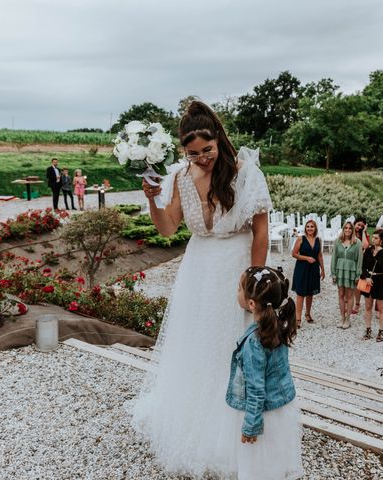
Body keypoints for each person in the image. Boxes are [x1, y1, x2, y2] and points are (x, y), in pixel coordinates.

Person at [131, 101, 271, 478]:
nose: (202, 159)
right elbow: (166, 228)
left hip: (234, 268)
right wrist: (151, 200)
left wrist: (254, 281)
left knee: (231, 348)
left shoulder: (244, 172)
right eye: (193, 154)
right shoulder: (178, 176)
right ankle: (193, 423)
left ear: (218, 140)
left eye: (207, 151)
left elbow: (261, 231)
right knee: (195, 346)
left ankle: (236, 429)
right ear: (183, 151)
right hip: (197, 270)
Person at [227, 266, 303, 480]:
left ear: (251, 304)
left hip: (262, 415)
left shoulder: (254, 342)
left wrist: (251, 424)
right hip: (280, 408)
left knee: (257, 467)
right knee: (273, 463)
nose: (237, 293)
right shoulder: (277, 326)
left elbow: (255, 386)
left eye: (240, 289)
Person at [291, 219, 325, 327]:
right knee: (301, 293)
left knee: (310, 293)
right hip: (302, 268)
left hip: (314, 269)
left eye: (312, 227)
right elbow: (294, 254)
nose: (310, 228)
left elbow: (319, 255)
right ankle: (297, 319)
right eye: (308, 226)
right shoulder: (301, 238)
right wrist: (306, 258)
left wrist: (323, 269)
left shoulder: (318, 240)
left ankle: (308, 314)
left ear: (315, 228)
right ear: (305, 228)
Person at [360, 229, 383, 342]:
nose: (373, 240)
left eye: (376, 238)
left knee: (381, 308)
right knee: (368, 306)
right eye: (373, 237)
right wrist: (366, 277)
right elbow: (363, 266)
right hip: (367, 279)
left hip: (380, 279)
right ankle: (368, 329)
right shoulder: (368, 250)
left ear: (382, 240)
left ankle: (381, 330)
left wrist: (378, 253)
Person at [331, 221, 362, 329]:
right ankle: (342, 318)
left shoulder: (357, 242)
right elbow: (334, 258)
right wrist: (333, 273)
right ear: (343, 229)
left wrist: (358, 275)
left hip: (351, 271)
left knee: (349, 296)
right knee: (340, 294)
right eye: (346, 228)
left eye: (350, 228)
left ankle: (348, 319)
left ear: (352, 230)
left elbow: (359, 260)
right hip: (340, 270)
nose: (347, 230)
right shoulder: (338, 241)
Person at [352, 216, 369, 314]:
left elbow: (365, 245)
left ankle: (358, 303)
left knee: (360, 283)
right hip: (351, 260)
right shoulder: (349, 232)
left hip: (362, 261)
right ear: (355, 223)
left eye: (362, 226)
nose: (359, 227)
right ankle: (349, 302)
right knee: (351, 283)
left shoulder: (364, 234)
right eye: (358, 225)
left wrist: (363, 232)